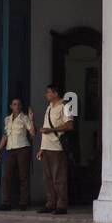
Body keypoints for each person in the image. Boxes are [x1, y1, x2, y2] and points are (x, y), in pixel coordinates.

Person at [37, 83, 75, 215]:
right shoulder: (49, 108)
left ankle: (61, 204)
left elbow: (69, 125)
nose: (46, 94)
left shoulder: (66, 106)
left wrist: (51, 130)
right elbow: (45, 126)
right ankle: (50, 203)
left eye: (48, 92)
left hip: (57, 147)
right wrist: (41, 148)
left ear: (55, 93)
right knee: (47, 178)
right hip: (46, 147)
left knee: (59, 177)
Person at [0, 97, 35, 210]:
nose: (16, 106)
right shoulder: (7, 119)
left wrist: (31, 119)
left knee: (23, 176)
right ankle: (6, 202)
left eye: (18, 104)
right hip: (10, 149)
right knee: (6, 176)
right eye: (14, 104)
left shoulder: (24, 118)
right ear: (11, 106)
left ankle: (23, 203)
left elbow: (32, 133)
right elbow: (5, 135)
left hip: (22, 148)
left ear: (20, 106)